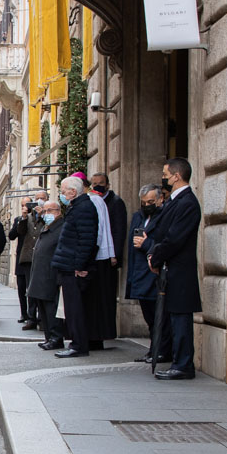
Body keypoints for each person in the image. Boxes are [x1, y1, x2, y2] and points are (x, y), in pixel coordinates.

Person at [140, 158, 201, 380]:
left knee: (180, 319)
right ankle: (178, 361)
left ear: (176, 176)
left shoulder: (187, 203)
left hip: (180, 271)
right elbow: (163, 234)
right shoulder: (176, 202)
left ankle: (183, 365)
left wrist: (155, 258)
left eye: (165, 174)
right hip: (171, 269)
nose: (163, 177)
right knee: (174, 318)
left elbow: (174, 239)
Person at [51, 177, 101, 358]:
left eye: (63, 191)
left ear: (72, 192)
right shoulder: (77, 207)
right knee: (72, 308)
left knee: (75, 309)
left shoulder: (83, 208)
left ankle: (78, 345)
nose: (62, 195)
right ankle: (76, 343)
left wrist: (79, 266)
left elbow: (86, 240)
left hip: (73, 266)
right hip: (70, 264)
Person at [126, 184, 163, 364]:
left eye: (151, 201)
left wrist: (147, 244)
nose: (147, 205)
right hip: (140, 272)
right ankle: (154, 349)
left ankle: (160, 350)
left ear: (160, 200)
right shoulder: (138, 217)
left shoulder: (164, 216)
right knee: (148, 315)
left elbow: (165, 242)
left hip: (154, 272)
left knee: (159, 315)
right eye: (144, 202)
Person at [89, 172, 127, 341]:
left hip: (108, 257)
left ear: (108, 185)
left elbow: (119, 230)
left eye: (101, 183)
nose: (97, 185)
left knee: (107, 294)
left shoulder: (116, 203)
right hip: (97, 256)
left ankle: (107, 331)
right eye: (94, 183)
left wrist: (115, 255)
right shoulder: (93, 200)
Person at [28, 197, 67, 349]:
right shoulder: (47, 227)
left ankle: (56, 338)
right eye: (44, 211)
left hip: (51, 275)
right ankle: (49, 337)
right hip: (40, 275)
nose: (46, 214)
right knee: (43, 308)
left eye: (49, 211)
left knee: (52, 309)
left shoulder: (61, 228)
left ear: (58, 212)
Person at [8, 196, 45, 325]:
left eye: (28, 205)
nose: (26, 207)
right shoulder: (21, 219)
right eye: (23, 205)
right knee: (22, 288)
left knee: (33, 288)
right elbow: (13, 235)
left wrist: (42, 215)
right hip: (23, 258)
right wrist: (23, 218)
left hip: (37, 258)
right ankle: (25, 314)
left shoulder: (43, 217)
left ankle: (35, 316)